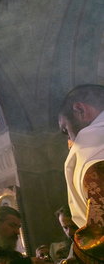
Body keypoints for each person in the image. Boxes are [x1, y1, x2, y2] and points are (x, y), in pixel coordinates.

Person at [58, 84, 104, 263]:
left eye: (65, 129)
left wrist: (76, 257)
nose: (69, 141)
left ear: (79, 109)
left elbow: (98, 238)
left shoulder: (93, 153)